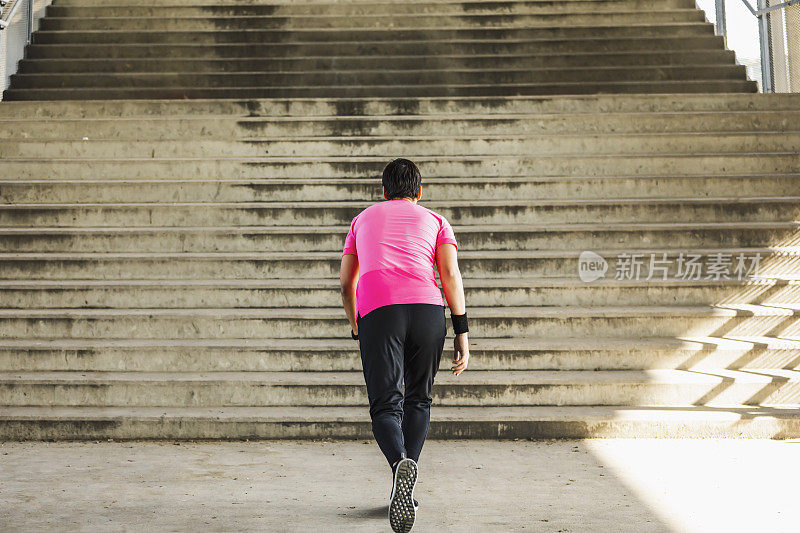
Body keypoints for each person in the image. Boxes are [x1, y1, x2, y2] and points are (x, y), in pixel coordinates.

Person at [340, 158, 470, 532]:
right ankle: (406, 485)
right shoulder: (437, 221)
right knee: (418, 399)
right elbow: (449, 274)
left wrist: (356, 325)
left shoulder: (361, 220)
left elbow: (347, 282)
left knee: (385, 404)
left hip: (380, 310)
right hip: (428, 309)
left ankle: (400, 466)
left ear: (383, 192)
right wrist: (462, 332)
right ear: (419, 192)